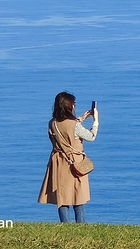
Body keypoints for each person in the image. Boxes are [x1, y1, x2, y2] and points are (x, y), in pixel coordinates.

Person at [38, 92, 99, 223]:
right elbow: (91, 136)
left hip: (58, 163)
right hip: (75, 163)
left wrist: (83, 118)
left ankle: (65, 224)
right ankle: (80, 226)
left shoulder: (52, 123)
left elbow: (66, 127)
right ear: (69, 106)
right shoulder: (74, 125)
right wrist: (96, 122)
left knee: (62, 197)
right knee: (78, 197)